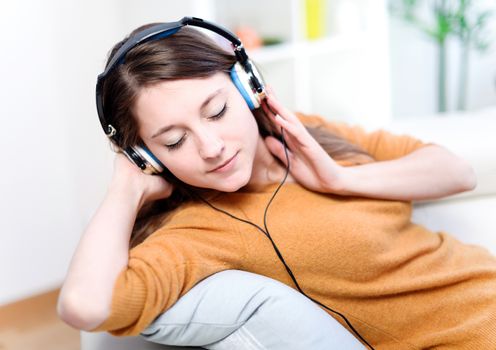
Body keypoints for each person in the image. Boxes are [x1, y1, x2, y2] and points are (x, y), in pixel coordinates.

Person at [57, 19, 496, 350]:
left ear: (248, 88)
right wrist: (125, 188)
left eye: (215, 111)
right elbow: (85, 307)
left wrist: (341, 178)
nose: (211, 147)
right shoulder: (201, 231)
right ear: (146, 157)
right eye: (174, 141)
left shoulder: (303, 135)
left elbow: (457, 171)